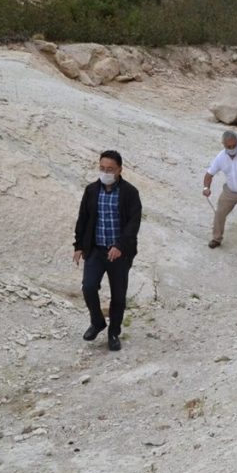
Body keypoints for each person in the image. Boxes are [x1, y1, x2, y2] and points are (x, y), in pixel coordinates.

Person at [73, 150, 142, 352]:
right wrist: (78, 246)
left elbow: (133, 223)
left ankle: (114, 332)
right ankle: (97, 322)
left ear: (119, 170)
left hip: (120, 253)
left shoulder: (130, 193)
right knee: (88, 286)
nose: (105, 172)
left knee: (119, 296)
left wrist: (120, 245)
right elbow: (83, 219)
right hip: (96, 250)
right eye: (102, 168)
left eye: (110, 169)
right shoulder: (92, 190)